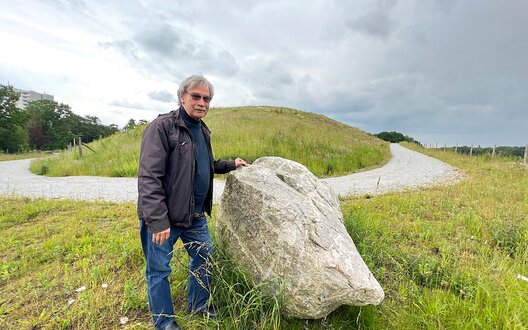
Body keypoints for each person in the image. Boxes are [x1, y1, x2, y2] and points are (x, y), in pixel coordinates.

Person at [138, 74, 248, 330]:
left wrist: (230, 165)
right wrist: (157, 220)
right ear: (182, 97)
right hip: (165, 218)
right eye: (196, 97)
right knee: (159, 270)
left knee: (204, 258)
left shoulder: (202, 129)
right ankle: (164, 323)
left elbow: (200, 165)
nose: (201, 103)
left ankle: (199, 307)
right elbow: (149, 177)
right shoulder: (162, 127)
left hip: (195, 217)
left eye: (206, 98)